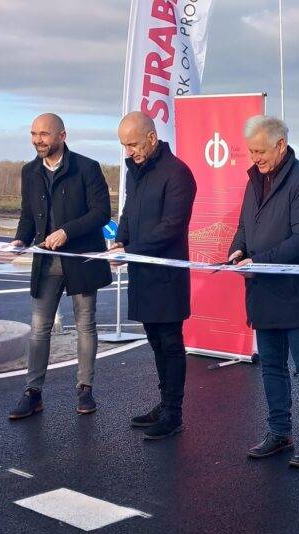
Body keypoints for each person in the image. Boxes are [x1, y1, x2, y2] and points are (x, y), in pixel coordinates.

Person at [228, 115, 299, 467]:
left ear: (280, 145)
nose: (254, 158)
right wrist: (237, 249)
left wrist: (258, 261)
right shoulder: (254, 181)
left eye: (260, 151)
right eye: (251, 151)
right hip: (263, 293)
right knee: (272, 366)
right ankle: (279, 432)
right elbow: (244, 226)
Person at [8, 113, 112, 420]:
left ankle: (85, 389)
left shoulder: (87, 168)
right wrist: (20, 239)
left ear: (62, 136)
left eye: (44, 134)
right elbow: (28, 214)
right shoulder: (29, 171)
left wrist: (67, 231)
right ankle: (33, 393)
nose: (37, 140)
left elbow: (101, 213)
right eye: (33, 134)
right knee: (39, 329)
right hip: (46, 262)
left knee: (85, 326)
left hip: (81, 261)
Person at [109, 111, 196, 440]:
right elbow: (129, 211)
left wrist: (131, 250)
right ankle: (164, 403)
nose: (129, 151)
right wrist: (120, 240)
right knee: (156, 342)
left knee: (171, 343)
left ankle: (174, 413)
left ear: (151, 137)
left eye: (133, 144)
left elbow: (172, 226)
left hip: (167, 275)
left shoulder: (178, 173)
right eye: (124, 145)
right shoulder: (135, 171)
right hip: (143, 273)